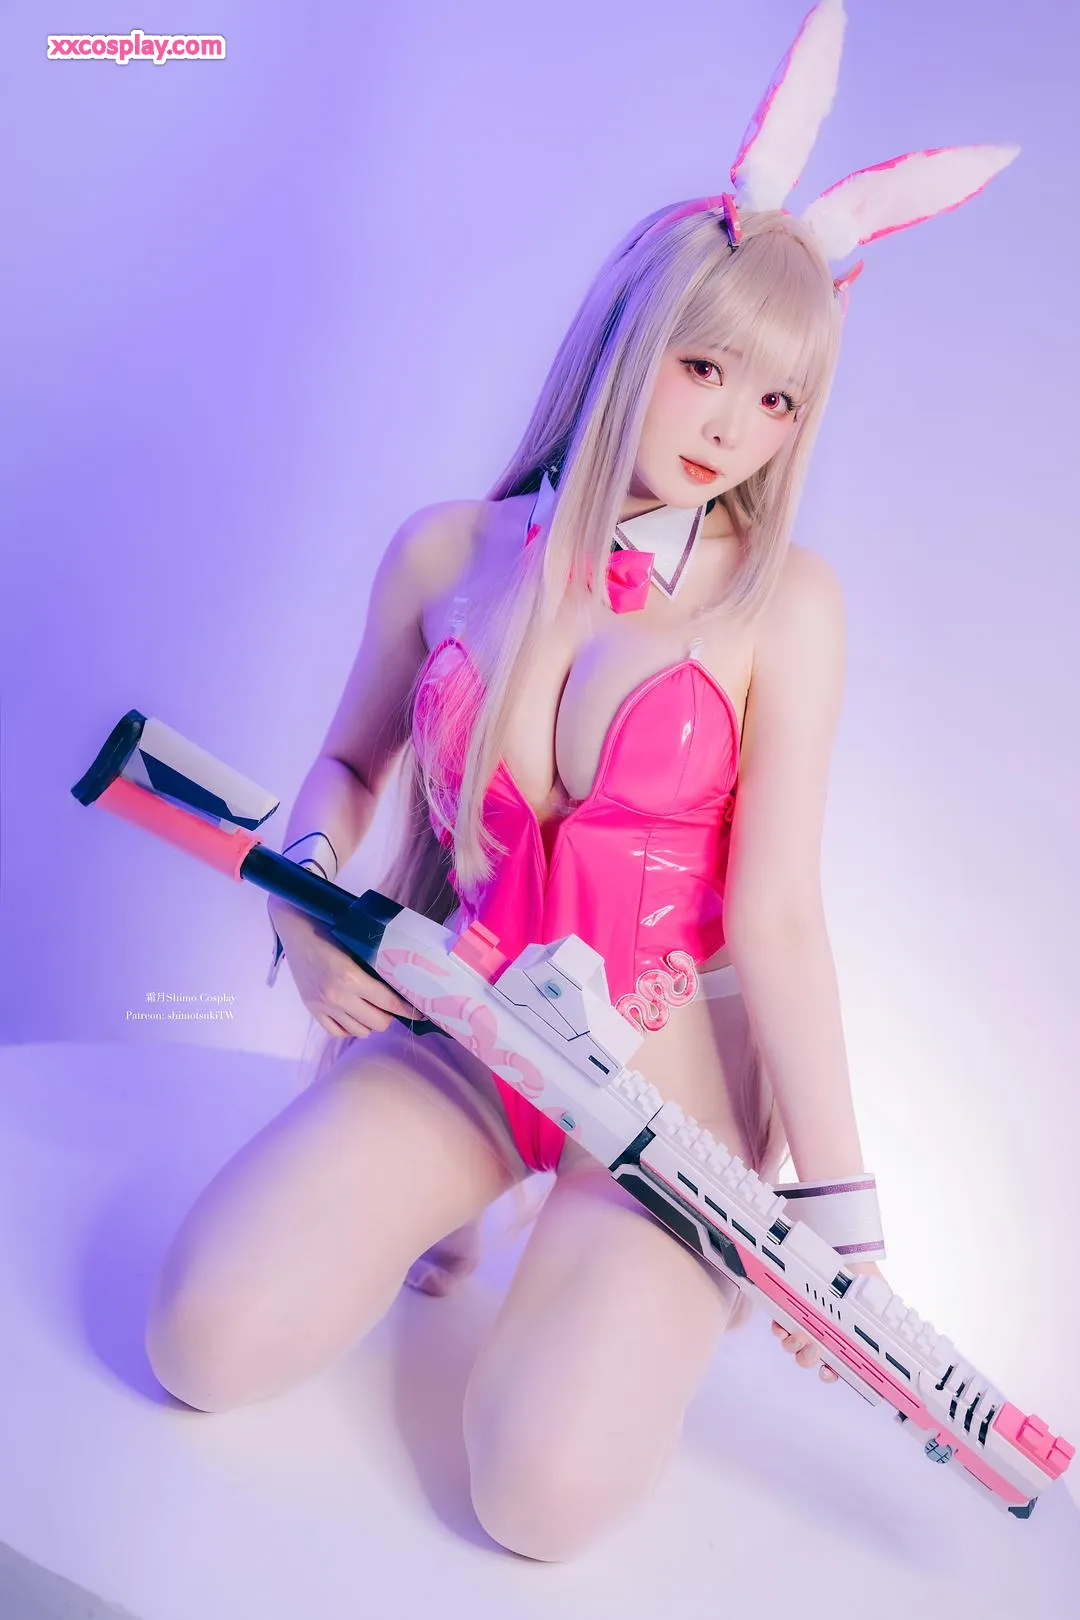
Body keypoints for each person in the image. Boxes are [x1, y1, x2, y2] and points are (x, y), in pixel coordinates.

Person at [143, 0, 1017, 1564]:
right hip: (465, 1031)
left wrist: (840, 1222)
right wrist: (302, 910)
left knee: (537, 1498)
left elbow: (781, 917)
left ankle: (629, 1268)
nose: (735, 430)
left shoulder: (785, 609)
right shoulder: (447, 552)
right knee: (204, 1339)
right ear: (629, 337)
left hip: (667, 1106)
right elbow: (347, 762)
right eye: (706, 368)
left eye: (778, 401)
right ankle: (463, 1196)